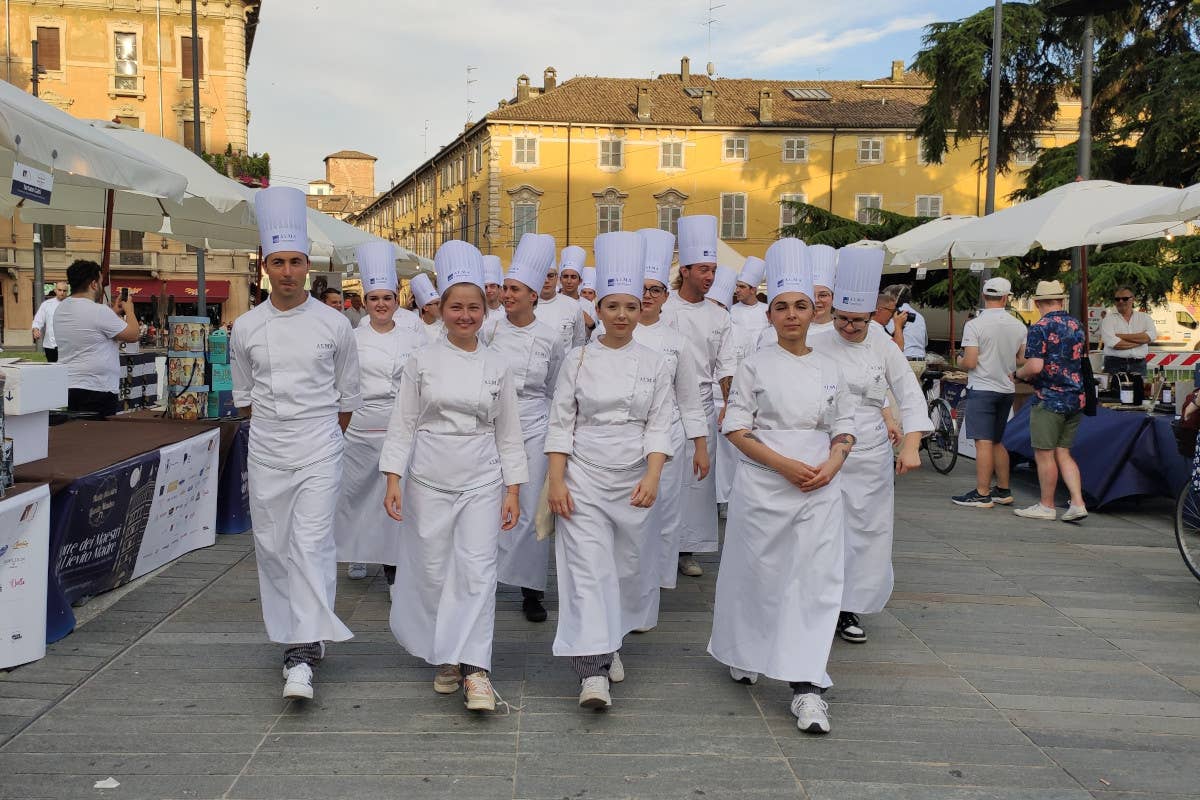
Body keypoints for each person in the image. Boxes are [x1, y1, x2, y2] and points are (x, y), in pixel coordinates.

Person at [708, 237, 857, 736]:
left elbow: (845, 424)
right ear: (769, 315)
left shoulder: (832, 367)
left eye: (800, 306)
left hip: (819, 487)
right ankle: (744, 649)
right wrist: (783, 465)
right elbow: (735, 426)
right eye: (781, 307)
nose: (791, 314)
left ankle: (807, 686)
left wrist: (831, 464)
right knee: (758, 574)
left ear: (815, 312)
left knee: (814, 582)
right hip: (765, 484)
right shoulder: (754, 365)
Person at [380, 240, 527, 713]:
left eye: (474, 308)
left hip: (482, 479)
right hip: (428, 479)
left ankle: (476, 667)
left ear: (486, 311)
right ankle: (444, 654)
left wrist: (513, 489)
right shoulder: (421, 361)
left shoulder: (498, 364)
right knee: (432, 570)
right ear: (440, 309)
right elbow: (403, 422)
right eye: (456, 307)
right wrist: (393, 479)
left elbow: (509, 432)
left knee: (479, 571)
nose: (465, 316)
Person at [229, 187, 362, 701]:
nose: (287, 272)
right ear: (265, 266)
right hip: (266, 449)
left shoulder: (335, 324)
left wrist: (322, 438)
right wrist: (274, 435)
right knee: (273, 548)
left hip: (320, 448)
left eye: (296, 262)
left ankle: (301, 652)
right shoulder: (245, 327)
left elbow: (347, 396)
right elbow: (244, 397)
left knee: (310, 545)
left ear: (309, 265)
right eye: (278, 262)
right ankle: (296, 631)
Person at [546, 230, 674, 710]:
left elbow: (661, 423)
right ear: (597, 309)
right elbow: (561, 423)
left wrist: (654, 476)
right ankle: (592, 670)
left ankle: (612, 639)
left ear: (641, 311)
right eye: (612, 306)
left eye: (631, 307)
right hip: (582, 477)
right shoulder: (576, 360)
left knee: (625, 570)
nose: (622, 316)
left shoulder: (656, 362)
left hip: (635, 477)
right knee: (586, 573)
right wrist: (556, 480)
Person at [812, 246, 931, 645]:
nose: (848, 328)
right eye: (842, 319)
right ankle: (815, 602)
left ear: (870, 317)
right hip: (822, 448)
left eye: (857, 321)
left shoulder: (881, 343)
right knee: (821, 530)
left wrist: (911, 444)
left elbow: (910, 395)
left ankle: (849, 607)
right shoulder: (816, 341)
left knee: (865, 531)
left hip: (870, 454)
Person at [483, 233, 565, 623]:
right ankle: (485, 578)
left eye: (514, 289)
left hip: (534, 424)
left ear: (533, 295)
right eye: (505, 288)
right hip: (492, 423)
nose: (507, 294)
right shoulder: (490, 330)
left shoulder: (551, 338)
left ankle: (532, 589)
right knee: (490, 503)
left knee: (533, 507)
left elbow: (555, 386)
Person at [334, 242, 425, 584]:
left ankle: (394, 570)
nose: (381, 304)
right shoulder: (352, 338)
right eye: (374, 299)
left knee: (397, 500)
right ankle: (358, 553)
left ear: (397, 299)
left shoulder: (413, 339)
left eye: (387, 298)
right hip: (360, 427)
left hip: (400, 428)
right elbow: (341, 384)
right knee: (357, 497)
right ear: (366, 302)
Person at [637, 227, 710, 593]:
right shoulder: (612, 336)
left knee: (666, 511)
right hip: (625, 440)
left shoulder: (676, 342)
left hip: (670, 438)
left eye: (655, 290)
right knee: (633, 513)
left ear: (666, 297)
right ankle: (633, 577)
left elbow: (690, 397)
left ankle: (662, 577)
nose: (647, 296)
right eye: (642, 288)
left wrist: (700, 445)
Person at [662, 215, 736, 577]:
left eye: (714, 270)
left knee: (696, 481)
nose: (710, 277)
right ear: (686, 270)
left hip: (702, 406)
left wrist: (729, 406)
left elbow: (726, 366)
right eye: (704, 269)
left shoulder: (719, 316)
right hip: (664, 404)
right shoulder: (662, 310)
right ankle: (658, 545)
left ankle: (687, 548)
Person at [1013, 280, 1088, 522]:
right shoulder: (1077, 325)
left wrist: (1017, 374)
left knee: (1044, 454)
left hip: (1050, 398)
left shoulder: (1040, 327)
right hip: (1076, 397)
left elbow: (1035, 366)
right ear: (1061, 300)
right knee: (1064, 452)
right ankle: (1077, 502)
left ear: (1037, 302)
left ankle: (1046, 505)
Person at [952, 277, 1028, 509]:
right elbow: (1021, 359)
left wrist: (959, 359)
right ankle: (1003, 489)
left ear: (984, 297)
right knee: (997, 441)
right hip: (1006, 389)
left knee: (982, 442)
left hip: (982, 387)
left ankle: (982, 492)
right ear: (1006, 298)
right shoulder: (1019, 326)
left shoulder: (975, 325)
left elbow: (971, 361)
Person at [54, 261, 140, 418]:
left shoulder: (61, 308)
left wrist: (113, 312)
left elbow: (92, 330)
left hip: (70, 383)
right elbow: (133, 334)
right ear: (93, 284)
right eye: (101, 282)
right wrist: (130, 310)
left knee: (79, 434)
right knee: (99, 438)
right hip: (98, 388)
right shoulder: (98, 311)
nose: (101, 285)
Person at [534, 243, 590, 350]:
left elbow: (578, 344)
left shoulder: (574, 306)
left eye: (550, 276)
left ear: (557, 278)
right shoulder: (526, 307)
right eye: (542, 275)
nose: (546, 280)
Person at [1098, 285, 1155, 377]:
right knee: (1114, 391)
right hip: (1114, 364)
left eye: (1125, 298)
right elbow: (1116, 344)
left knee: (1139, 391)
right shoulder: (1108, 320)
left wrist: (1120, 336)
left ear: (1133, 299)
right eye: (1117, 299)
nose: (1121, 301)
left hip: (1138, 365)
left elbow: (1150, 336)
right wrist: (1141, 342)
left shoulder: (1145, 318)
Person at [730, 257, 768, 348]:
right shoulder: (731, 311)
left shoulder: (767, 310)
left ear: (753, 290)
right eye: (737, 286)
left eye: (742, 287)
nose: (737, 290)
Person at [31, 282, 69, 362]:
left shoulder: (71, 305)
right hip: (50, 344)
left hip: (67, 345)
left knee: (66, 369)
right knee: (52, 368)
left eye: (64, 291)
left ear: (67, 291)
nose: (62, 293)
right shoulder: (47, 304)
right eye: (60, 290)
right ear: (55, 290)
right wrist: (36, 329)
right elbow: (38, 320)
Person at [808, 244, 838, 335]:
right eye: (810, 295)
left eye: (823, 295)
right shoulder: (793, 329)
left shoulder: (842, 330)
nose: (816, 300)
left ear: (833, 298)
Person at [410, 273, 443, 342]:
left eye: (440, 303)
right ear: (425, 307)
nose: (440, 306)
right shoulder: (415, 328)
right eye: (436, 304)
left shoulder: (445, 327)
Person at [481, 255, 507, 321]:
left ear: (499, 288)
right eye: (485, 287)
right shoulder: (479, 314)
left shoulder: (507, 314)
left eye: (492, 286)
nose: (488, 290)